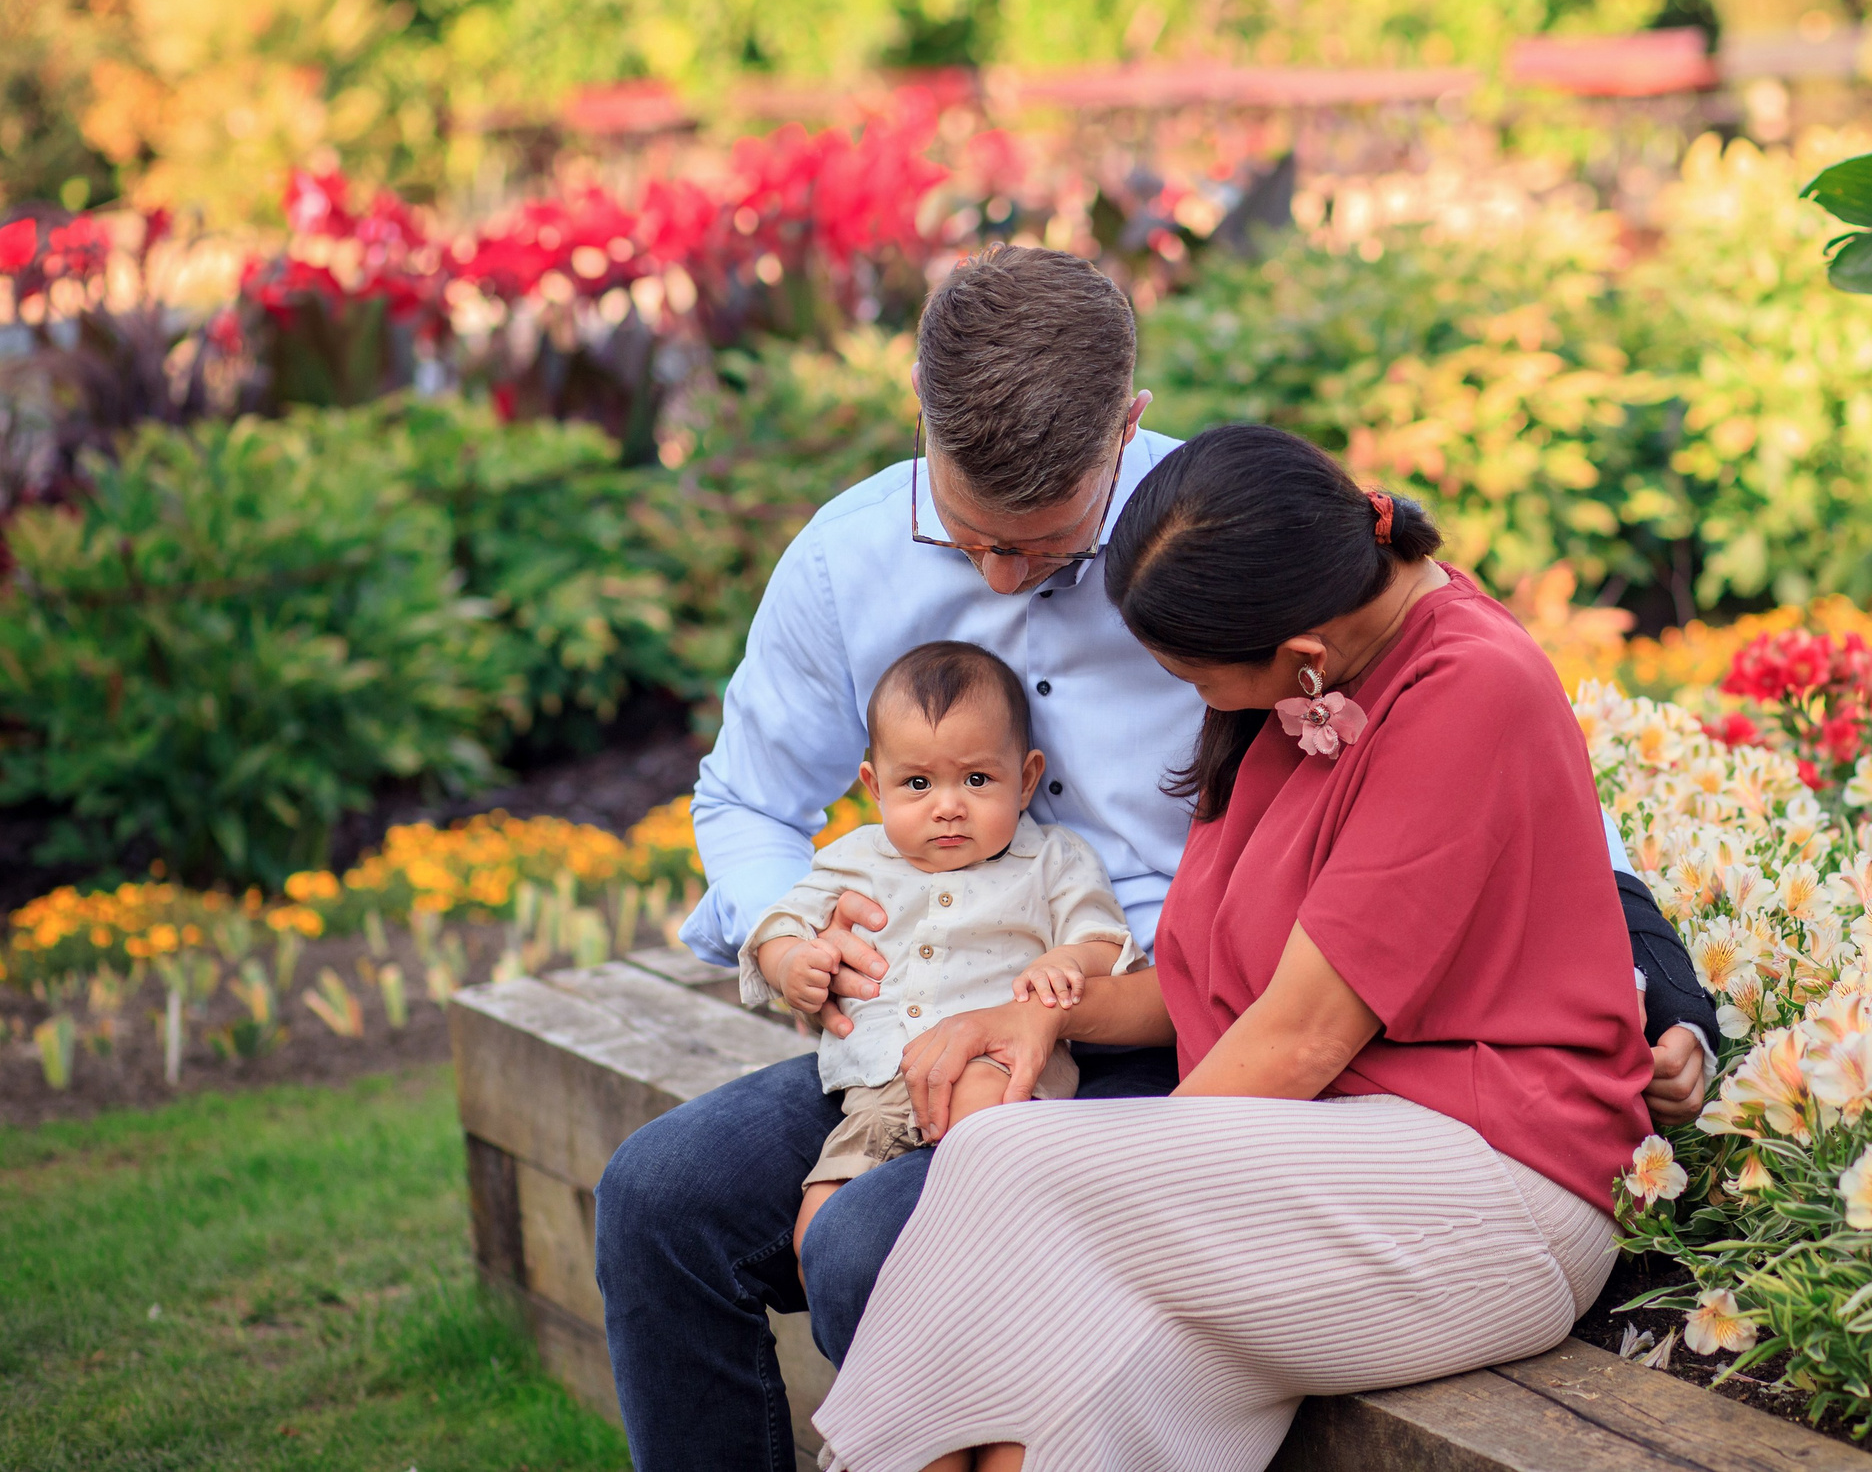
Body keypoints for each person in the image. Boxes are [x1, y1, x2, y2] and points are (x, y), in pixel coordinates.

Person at [593, 244, 1714, 1472]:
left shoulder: (1246, 570)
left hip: (1230, 1063)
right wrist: (802, 942)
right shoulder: (849, 561)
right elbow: (747, 800)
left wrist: (1671, 1000)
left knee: (897, 1239)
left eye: (1043, 543)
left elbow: (1531, 832)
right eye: (972, 541)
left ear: (1124, 433)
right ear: (920, 419)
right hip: (1009, 1001)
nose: (1003, 581)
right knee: (661, 1201)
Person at [812, 423, 1652, 1472]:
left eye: (1193, 675)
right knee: (1041, 1433)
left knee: (1004, 1163)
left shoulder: (1466, 689)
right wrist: (1045, 1012)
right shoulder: (1326, 653)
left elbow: (1298, 1041)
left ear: (1298, 659)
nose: (1188, 697)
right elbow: (1209, 982)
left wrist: (1109, 1178)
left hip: (1490, 1190)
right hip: (1319, 1163)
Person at [737, 641, 1137, 1269]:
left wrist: (1070, 962)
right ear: (875, 786)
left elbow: (1104, 941)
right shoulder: (857, 858)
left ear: (1026, 778)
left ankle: (979, 1251)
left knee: (975, 1119)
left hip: (999, 1067)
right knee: (816, 1232)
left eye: (977, 780)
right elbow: (780, 923)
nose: (948, 805)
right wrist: (790, 963)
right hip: (875, 1091)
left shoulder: (1053, 859)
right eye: (917, 783)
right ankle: (869, 1359)